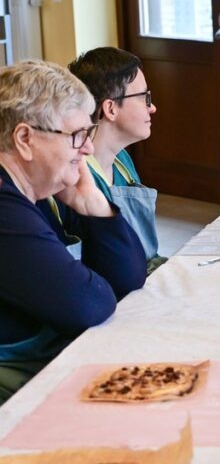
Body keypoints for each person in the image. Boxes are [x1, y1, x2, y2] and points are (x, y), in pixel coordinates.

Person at [0, 61, 147, 403]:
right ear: (25, 139)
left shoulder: (43, 191)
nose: (88, 149)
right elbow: (88, 304)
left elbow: (128, 279)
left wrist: (93, 204)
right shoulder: (6, 210)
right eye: (77, 135)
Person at [68, 47, 165, 272]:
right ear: (110, 108)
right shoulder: (76, 175)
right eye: (144, 98)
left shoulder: (122, 160)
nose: (152, 107)